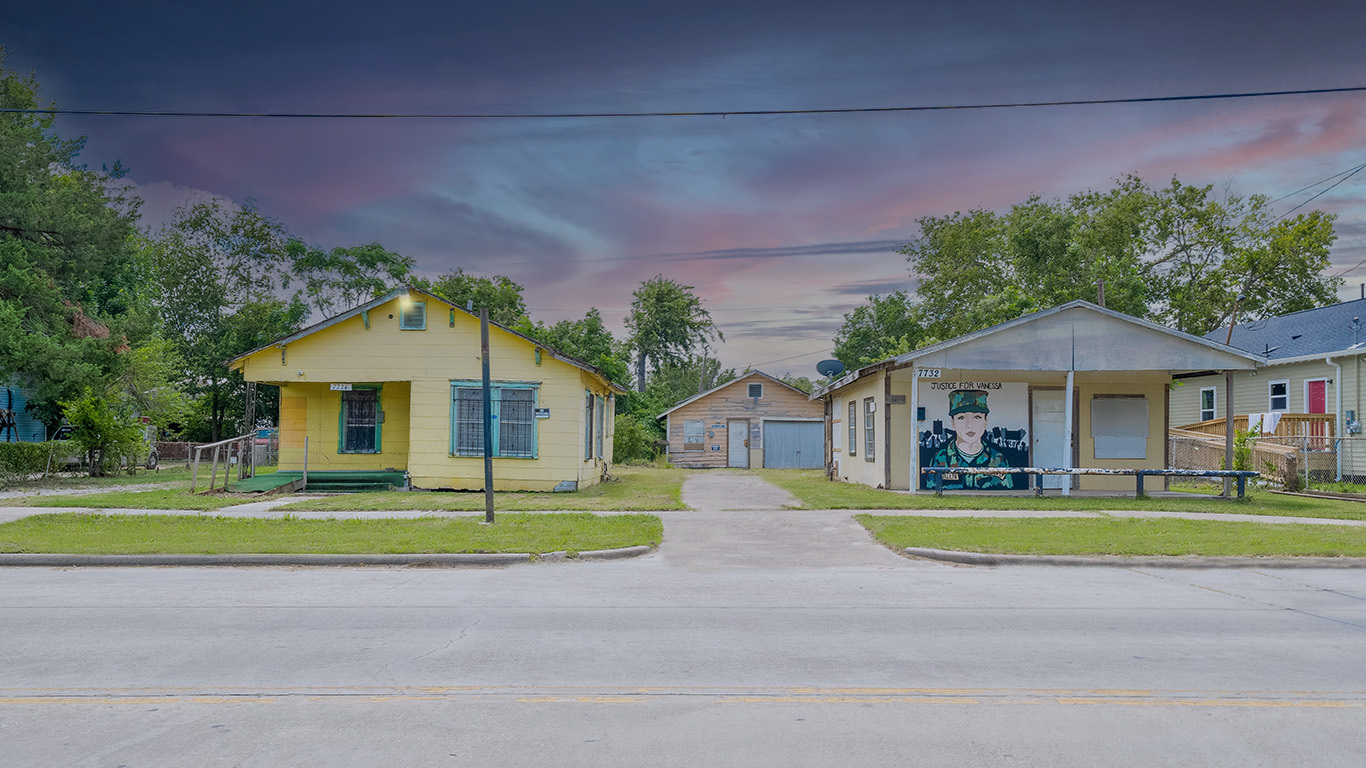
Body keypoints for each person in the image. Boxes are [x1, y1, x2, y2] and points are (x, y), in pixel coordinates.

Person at [927, 389, 1014, 490]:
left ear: (985, 421)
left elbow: (1007, 494)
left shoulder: (998, 460)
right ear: (953, 422)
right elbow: (932, 493)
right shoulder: (940, 459)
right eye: (961, 418)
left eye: (977, 417)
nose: (969, 425)